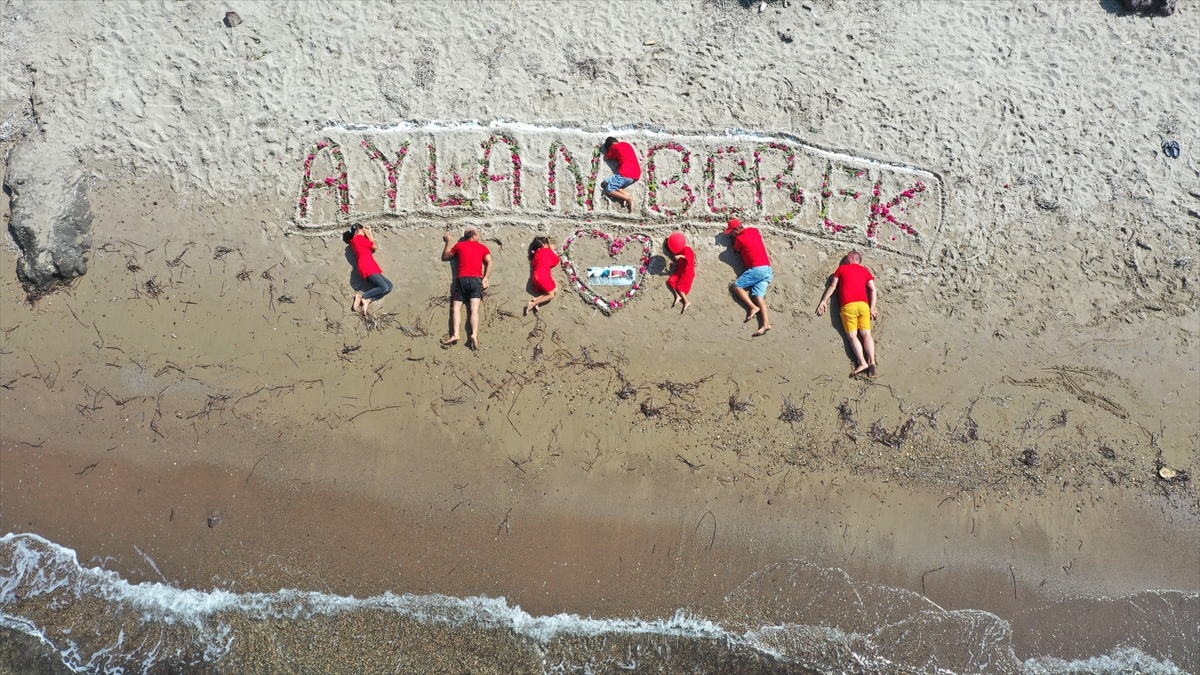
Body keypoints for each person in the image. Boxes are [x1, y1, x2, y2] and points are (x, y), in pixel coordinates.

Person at [816, 250, 879, 377]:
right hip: (863, 306)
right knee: (866, 333)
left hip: (848, 305)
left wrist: (823, 301)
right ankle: (872, 361)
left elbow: (833, 285)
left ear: (852, 259)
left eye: (846, 258)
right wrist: (872, 306)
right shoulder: (866, 271)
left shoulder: (842, 269)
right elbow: (872, 288)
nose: (844, 260)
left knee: (852, 336)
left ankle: (862, 362)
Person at [441, 227, 492, 350]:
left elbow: (446, 256)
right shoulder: (482, 247)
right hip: (476, 280)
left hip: (462, 280)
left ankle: (455, 334)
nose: (479, 236)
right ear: (474, 236)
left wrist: (448, 242)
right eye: (478, 234)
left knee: (456, 309)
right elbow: (489, 262)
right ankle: (474, 334)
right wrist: (486, 278)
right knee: (474, 310)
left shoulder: (459, 245)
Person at [724, 218, 772, 336]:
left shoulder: (740, 239)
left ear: (737, 229)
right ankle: (766, 324)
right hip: (768, 269)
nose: (732, 234)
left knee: (737, 286)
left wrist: (734, 241)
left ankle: (752, 307)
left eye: (732, 232)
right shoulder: (754, 230)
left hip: (757, 269)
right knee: (758, 296)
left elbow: (736, 250)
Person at [344, 223, 392, 316]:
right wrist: (368, 233)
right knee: (384, 287)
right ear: (358, 230)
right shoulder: (358, 238)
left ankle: (368, 300)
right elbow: (374, 246)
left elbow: (369, 245)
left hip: (367, 266)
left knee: (389, 286)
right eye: (363, 230)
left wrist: (367, 233)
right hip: (367, 266)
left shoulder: (354, 241)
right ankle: (362, 296)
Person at [601, 137, 641, 212]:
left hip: (626, 173)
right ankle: (625, 194)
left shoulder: (615, 146)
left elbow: (607, 157)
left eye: (610, 148)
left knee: (609, 190)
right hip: (636, 172)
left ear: (612, 144)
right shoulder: (626, 144)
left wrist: (608, 151)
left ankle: (629, 199)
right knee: (605, 182)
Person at [525, 235, 560, 315]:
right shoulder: (547, 251)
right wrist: (552, 250)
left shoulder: (536, 255)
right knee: (551, 295)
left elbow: (535, 264)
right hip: (543, 276)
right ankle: (532, 304)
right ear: (545, 244)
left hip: (536, 277)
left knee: (555, 290)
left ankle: (536, 300)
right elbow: (556, 260)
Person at [665, 231, 695, 313]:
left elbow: (689, 258)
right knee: (671, 280)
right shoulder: (681, 251)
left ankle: (686, 301)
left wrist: (680, 256)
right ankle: (677, 295)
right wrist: (676, 263)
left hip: (687, 272)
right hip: (681, 270)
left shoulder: (687, 249)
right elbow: (682, 261)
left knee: (680, 287)